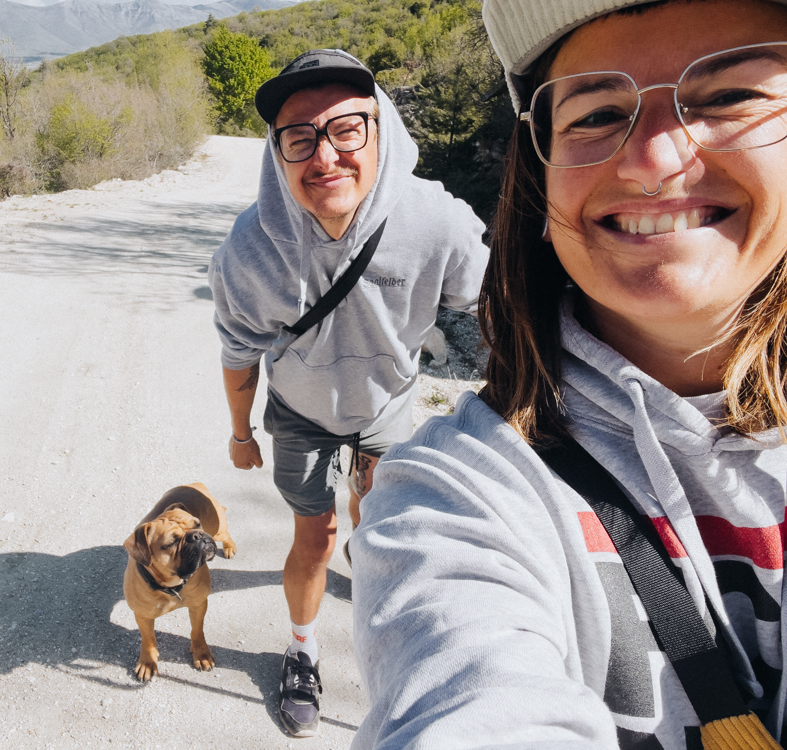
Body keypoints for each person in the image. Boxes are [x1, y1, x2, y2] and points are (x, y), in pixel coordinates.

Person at [351, 0, 787, 747]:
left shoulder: (430, 214)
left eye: (728, 97)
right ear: (540, 182)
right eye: (595, 112)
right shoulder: (458, 491)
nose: (654, 160)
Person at [208, 49, 489, 737]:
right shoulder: (251, 251)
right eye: (299, 137)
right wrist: (242, 434)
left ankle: (374, 595)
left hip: (390, 406)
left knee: (376, 528)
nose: (324, 155)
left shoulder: (436, 222)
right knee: (316, 534)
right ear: (277, 153)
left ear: (380, 128)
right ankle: (302, 653)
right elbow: (240, 356)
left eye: (346, 129)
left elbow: (504, 309)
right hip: (301, 415)